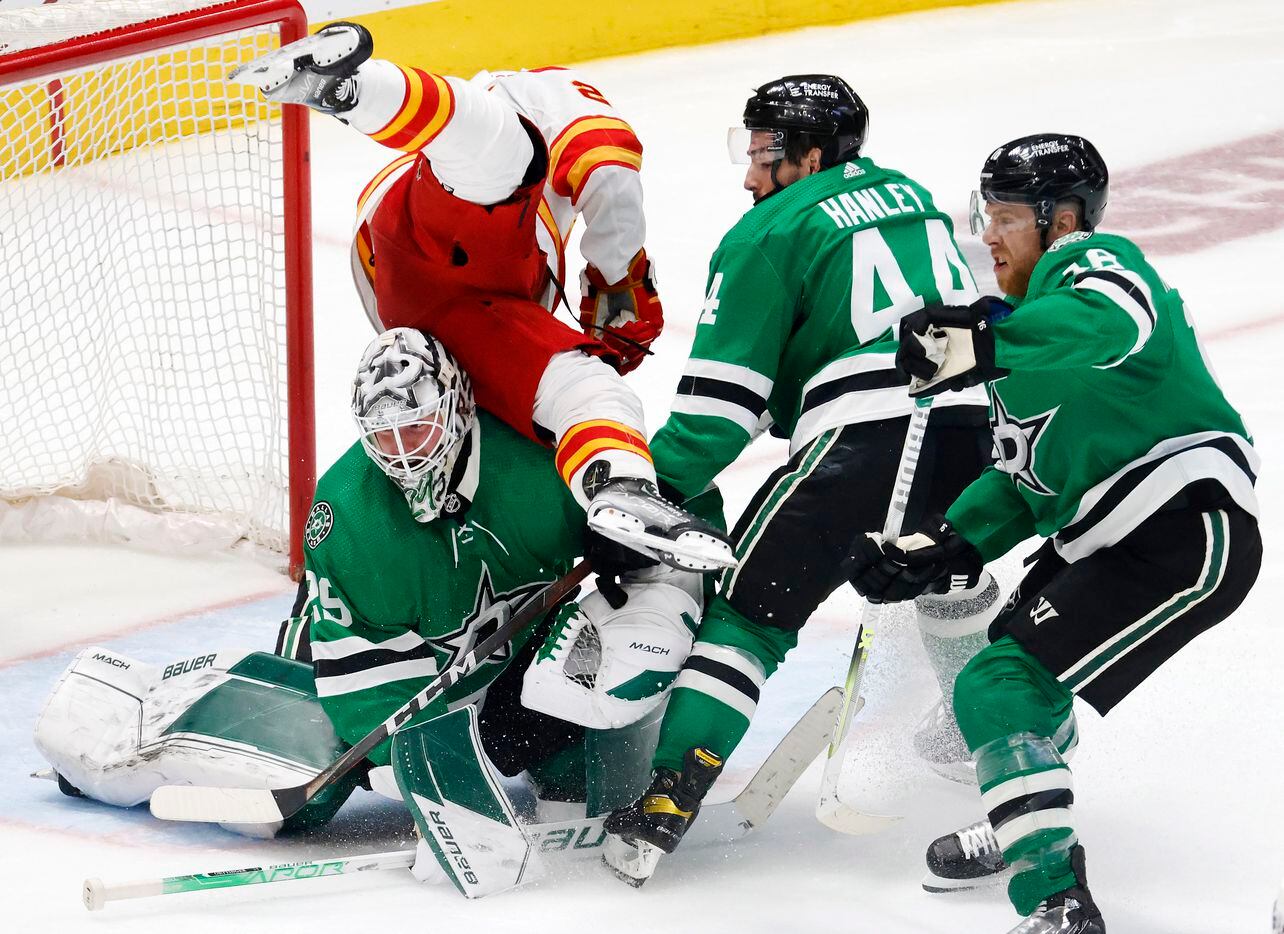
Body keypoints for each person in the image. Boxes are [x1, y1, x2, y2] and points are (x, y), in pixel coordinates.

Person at [35, 328, 708, 898]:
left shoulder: (538, 467)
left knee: (581, 680)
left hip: (497, 655)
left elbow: (682, 504)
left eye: (417, 425)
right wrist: (412, 765)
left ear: (459, 408)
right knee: (300, 798)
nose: (406, 452)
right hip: (359, 662)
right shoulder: (350, 516)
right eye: (385, 437)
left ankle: (569, 759)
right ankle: (114, 721)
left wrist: (651, 581)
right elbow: (362, 685)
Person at [847, 134, 1262, 933]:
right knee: (1020, 696)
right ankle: (1028, 821)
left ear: (1061, 219)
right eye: (985, 217)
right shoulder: (1025, 333)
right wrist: (943, 541)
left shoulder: (1096, 264)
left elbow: (1116, 321)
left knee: (993, 687)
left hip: (1181, 525)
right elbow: (1023, 480)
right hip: (1109, 537)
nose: (988, 237)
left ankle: (1057, 903)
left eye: (1004, 217)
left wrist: (986, 341)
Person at [602, 75, 998, 867]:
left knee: (749, 615)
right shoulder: (913, 197)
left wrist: (646, 496)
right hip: (971, 432)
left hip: (861, 445)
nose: (750, 176)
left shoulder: (765, 235)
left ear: (811, 156)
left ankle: (667, 800)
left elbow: (718, 418)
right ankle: (977, 736)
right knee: (943, 575)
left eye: (764, 156)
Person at [234, 24, 730, 572]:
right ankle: (354, 88)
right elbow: (608, 170)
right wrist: (619, 281)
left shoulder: (525, 149)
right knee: (504, 162)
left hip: (453, 296)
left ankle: (623, 487)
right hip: (428, 246)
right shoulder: (557, 111)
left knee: (582, 381)